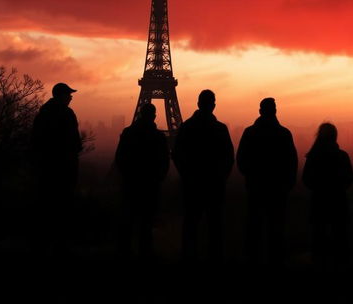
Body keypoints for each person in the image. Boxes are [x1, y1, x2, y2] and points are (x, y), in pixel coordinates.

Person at [172, 89, 234, 263]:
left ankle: (188, 258)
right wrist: (221, 178)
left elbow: (177, 154)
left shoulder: (187, 128)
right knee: (214, 225)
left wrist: (186, 175)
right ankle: (215, 259)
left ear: (198, 104)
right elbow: (229, 157)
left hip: (192, 184)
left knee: (191, 224)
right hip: (214, 185)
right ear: (213, 105)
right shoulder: (220, 129)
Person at [236, 97, 298, 265]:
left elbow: (240, 159)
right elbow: (292, 163)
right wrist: (287, 184)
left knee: (254, 225)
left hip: (256, 187)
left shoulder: (250, 133)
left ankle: (252, 259)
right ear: (275, 111)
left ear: (260, 111)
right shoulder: (284, 134)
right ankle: (276, 261)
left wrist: (250, 176)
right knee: (276, 228)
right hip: (278, 189)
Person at [31, 81, 83, 251]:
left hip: (45, 168)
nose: (71, 97)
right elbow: (75, 142)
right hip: (64, 167)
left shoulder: (42, 114)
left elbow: (35, 141)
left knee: (45, 204)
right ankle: (61, 243)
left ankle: (43, 241)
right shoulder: (67, 114)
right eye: (68, 95)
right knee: (63, 206)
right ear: (61, 96)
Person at [115, 103, 170, 257]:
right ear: (154, 116)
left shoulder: (128, 133)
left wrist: (127, 176)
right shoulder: (159, 137)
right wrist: (158, 178)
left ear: (139, 114)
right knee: (147, 222)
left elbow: (120, 158)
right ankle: (145, 253)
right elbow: (164, 161)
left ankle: (124, 252)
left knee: (128, 219)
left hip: (131, 183)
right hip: (150, 184)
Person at [302, 122, 353, 268]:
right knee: (340, 236)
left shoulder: (313, 157)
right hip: (338, 201)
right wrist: (339, 188)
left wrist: (319, 189)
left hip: (319, 201)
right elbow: (350, 177)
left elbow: (306, 179)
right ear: (335, 136)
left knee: (318, 235)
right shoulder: (342, 156)